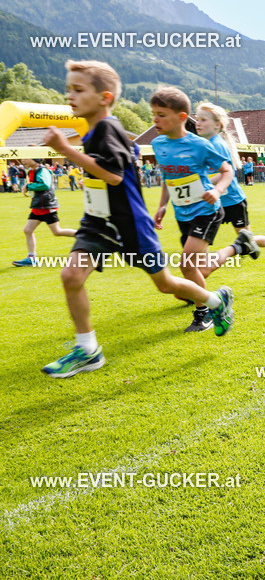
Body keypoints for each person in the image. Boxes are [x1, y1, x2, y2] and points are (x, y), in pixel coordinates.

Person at [40, 60, 235, 378]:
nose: (69, 96)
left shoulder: (107, 129)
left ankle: (215, 300)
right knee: (71, 277)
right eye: (68, 90)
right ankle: (88, 351)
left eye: (78, 90)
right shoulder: (95, 132)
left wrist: (65, 149)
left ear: (104, 97)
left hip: (130, 222)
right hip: (99, 221)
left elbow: (114, 177)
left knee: (165, 284)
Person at [151, 88, 258, 333]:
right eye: (153, 114)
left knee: (186, 265)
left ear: (181, 117)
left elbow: (227, 170)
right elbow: (169, 178)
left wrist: (218, 191)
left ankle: (206, 312)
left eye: (161, 114)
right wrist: (162, 206)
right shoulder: (157, 144)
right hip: (182, 214)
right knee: (194, 268)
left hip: (207, 210)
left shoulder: (199, 145)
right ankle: (234, 257)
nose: (155, 120)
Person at [195, 102, 265, 263]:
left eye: (203, 120)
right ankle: (199, 267)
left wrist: (202, 184)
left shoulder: (217, 145)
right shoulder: (207, 145)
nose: (198, 123)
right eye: (197, 119)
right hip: (215, 201)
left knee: (248, 240)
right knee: (201, 238)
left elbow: (226, 173)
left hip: (233, 201)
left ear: (217, 125)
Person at [12, 158, 77, 266]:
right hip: (38, 205)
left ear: (35, 159)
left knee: (57, 232)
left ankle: (87, 236)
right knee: (28, 230)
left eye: (26, 158)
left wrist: (28, 186)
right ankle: (31, 258)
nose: (23, 160)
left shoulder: (42, 170)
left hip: (46, 205)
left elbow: (44, 185)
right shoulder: (33, 170)